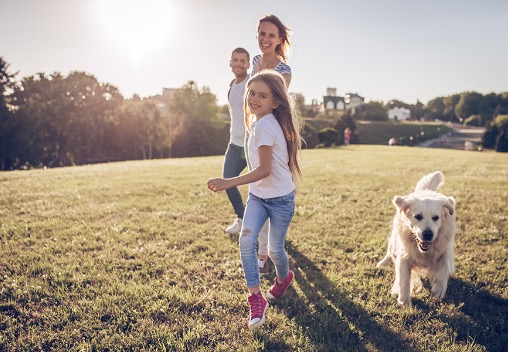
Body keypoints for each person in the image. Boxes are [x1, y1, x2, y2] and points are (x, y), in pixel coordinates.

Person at [208, 70, 302, 330]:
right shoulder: (258, 122)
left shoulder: (264, 125)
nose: (255, 99)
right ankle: (256, 297)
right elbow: (262, 174)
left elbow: (264, 170)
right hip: (259, 198)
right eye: (252, 93)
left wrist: (229, 182)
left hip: (281, 199)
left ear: (275, 102)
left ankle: (283, 279)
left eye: (263, 95)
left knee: (274, 251)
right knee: (246, 240)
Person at [249, 14, 293, 275]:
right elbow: (251, 96)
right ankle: (264, 254)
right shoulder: (255, 61)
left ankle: (266, 255)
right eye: (262, 33)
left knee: (269, 190)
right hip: (252, 132)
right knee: (257, 190)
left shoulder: (284, 71)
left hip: (272, 136)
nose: (266, 39)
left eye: (271, 35)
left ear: (279, 40)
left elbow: (272, 102)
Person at [223, 48, 271, 277]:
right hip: (234, 144)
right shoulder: (231, 86)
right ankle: (241, 218)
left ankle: (266, 235)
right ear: (231, 62)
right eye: (236, 60)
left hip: (251, 143)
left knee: (260, 190)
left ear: (247, 64)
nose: (239, 63)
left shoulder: (252, 81)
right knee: (227, 181)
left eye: (243, 60)